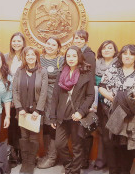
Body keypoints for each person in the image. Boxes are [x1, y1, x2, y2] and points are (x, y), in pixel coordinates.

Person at [99, 44, 135, 174]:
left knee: (127, 146)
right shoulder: (112, 69)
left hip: (130, 116)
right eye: (125, 53)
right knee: (110, 144)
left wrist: (127, 101)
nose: (127, 56)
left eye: (131, 54)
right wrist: (115, 99)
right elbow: (101, 87)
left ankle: (125, 171)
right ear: (120, 55)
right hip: (110, 113)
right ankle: (113, 171)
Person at [50, 45, 95, 174]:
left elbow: (90, 96)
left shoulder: (86, 73)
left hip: (77, 115)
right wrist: (53, 116)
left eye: (74, 56)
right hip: (62, 115)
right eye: (68, 56)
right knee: (59, 144)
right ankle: (69, 167)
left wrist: (81, 112)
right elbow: (55, 96)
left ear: (79, 57)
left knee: (77, 147)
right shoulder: (61, 73)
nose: (71, 58)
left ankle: (75, 171)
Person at [12, 46, 48, 174]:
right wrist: (19, 108)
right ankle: (25, 162)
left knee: (33, 138)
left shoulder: (42, 71)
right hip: (22, 110)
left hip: (36, 111)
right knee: (23, 137)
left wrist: (38, 111)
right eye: (28, 55)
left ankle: (31, 163)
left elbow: (44, 93)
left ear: (37, 57)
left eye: (33, 55)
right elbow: (14, 90)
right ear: (24, 57)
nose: (30, 57)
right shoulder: (19, 70)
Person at [37, 37, 64, 169]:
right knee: (44, 126)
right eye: (48, 43)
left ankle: (52, 157)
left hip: (54, 97)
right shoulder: (38, 58)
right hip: (39, 97)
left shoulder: (61, 60)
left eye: (54, 44)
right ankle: (48, 154)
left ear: (58, 47)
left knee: (52, 125)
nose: (50, 46)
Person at [72, 29, 96, 168]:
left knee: (85, 129)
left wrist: (90, 100)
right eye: (76, 38)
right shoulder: (76, 53)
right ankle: (80, 160)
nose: (79, 40)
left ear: (86, 40)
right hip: (77, 97)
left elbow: (90, 79)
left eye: (82, 38)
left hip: (86, 97)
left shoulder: (89, 55)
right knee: (79, 130)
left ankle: (84, 161)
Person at [93, 40, 119, 170]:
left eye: (110, 48)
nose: (107, 50)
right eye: (104, 48)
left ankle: (114, 162)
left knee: (113, 134)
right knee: (102, 133)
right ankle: (101, 160)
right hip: (97, 105)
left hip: (113, 104)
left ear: (115, 51)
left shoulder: (119, 65)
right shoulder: (95, 64)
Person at [5, 32, 26, 167]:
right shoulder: (6, 57)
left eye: (19, 41)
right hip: (10, 96)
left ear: (23, 43)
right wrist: (10, 97)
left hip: (24, 97)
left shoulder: (27, 56)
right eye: (14, 41)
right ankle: (13, 154)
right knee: (12, 126)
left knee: (23, 127)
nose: (16, 43)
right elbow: (3, 76)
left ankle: (23, 154)